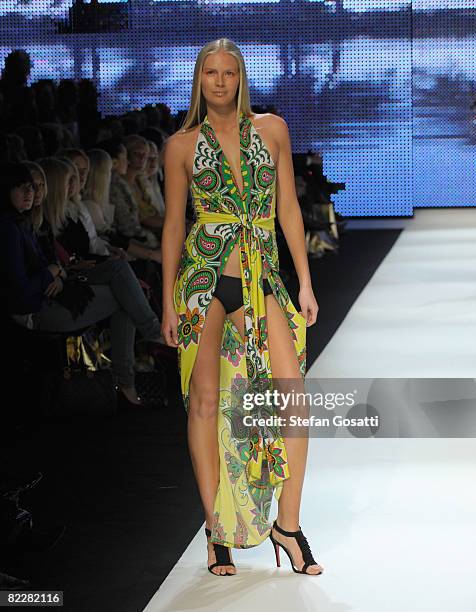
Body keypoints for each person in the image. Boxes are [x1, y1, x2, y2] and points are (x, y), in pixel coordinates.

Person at [161, 38, 322, 577]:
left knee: (292, 394)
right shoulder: (181, 144)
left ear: (241, 78)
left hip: (262, 275)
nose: (221, 81)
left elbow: (290, 211)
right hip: (205, 278)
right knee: (204, 403)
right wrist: (166, 301)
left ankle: (289, 524)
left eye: (230, 72)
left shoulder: (271, 129)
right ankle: (215, 530)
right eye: (211, 72)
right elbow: (173, 226)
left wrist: (304, 281)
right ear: (199, 79)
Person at [0, 161, 162, 406]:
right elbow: (21, 293)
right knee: (124, 297)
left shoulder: (24, 223)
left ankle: (130, 374)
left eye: (33, 187)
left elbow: (53, 266)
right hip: (34, 311)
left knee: (120, 273)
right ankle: (133, 370)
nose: (31, 193)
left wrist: (58, 273)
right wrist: (53, 272)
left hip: (55, 292)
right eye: (23, 188)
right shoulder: (10, 228)